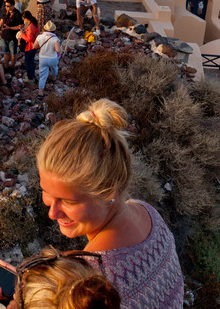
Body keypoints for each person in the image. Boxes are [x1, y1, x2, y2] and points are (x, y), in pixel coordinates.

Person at [36, 99, 183, 306]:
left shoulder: (83, 282)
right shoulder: (148, 213)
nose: (53, 213)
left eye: (68, 201)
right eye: (47, 193)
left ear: (108, 191)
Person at [0, 0, 23, 70]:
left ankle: (12, 67)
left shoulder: (17, 14)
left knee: (13, 54)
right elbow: (1, 21)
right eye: (5, 5)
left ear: (13, 5)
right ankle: (6, 66)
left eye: (8, 6)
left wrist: (10, 28)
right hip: (4, 36)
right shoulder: (5, 11)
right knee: (5, 52)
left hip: (12, 37)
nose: (6, 7)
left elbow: (20, 26)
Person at [35, 21, 62, 93]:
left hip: (42, 58)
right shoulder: (55, 39)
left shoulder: (39, 37)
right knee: (54, 68)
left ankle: (40, 92)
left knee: (42, 76)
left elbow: (34, 46)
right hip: (52, 58)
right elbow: (57, 50)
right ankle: (54, 78)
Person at [19, 12, 40, 84]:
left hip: (30, 47)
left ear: (25, 18)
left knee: (28, 63)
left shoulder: (31, 27)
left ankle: (30, 78)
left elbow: (29, 39)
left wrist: (22, 35)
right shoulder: (35, 23)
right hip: (35, 46)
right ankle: (32, 76)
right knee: (32, 62)